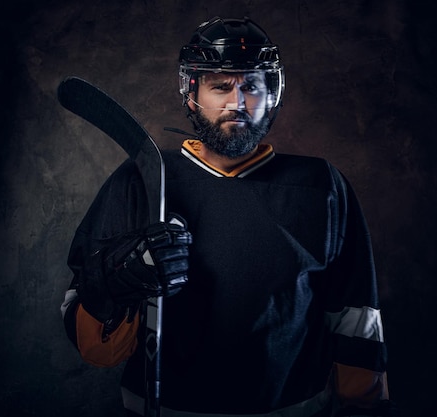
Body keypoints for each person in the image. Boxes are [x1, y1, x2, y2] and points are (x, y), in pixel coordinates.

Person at [61, 16, 394, 417]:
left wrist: (366, 408)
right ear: (191, 93)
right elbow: (93, 346)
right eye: (221, 85)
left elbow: (354, 315)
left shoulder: (322, 185)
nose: (237, 102)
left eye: (251, 86)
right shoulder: (141, 180)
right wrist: (118, 282)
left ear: (272, 95)